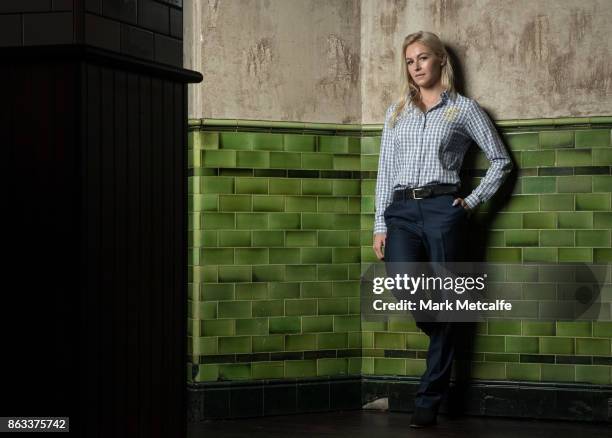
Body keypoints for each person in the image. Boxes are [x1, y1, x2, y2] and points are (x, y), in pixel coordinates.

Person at [372, 30, 513, 428]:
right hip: (401, 210)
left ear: (440, 61)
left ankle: (429, 397)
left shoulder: (464, 110)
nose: (416, 67)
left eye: (423, 58)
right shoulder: (396, 110)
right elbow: (385, 171)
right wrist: (380, 223)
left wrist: (469, 202)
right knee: (405, 286)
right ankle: (444, 339)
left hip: (442, 209)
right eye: (409, 61)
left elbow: (501, 161)